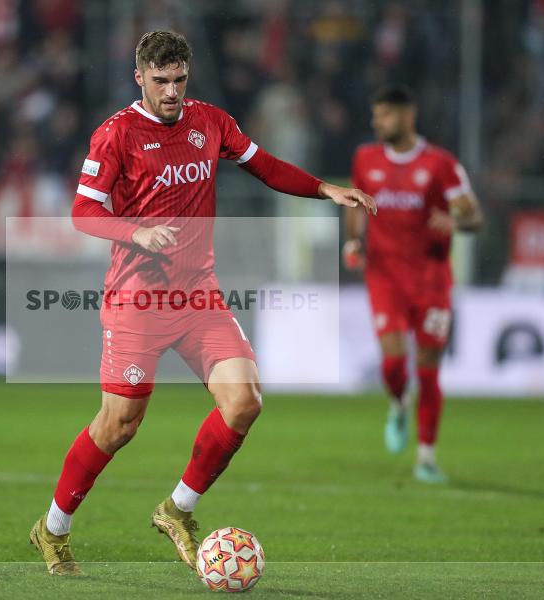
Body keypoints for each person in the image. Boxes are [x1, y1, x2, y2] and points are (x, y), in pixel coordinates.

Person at [29, 30, 376, 575]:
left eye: (179, 80)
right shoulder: (115, 135)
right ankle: (52, 528)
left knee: (244, 402)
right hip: (138, 298)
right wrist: (136, 233)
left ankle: (177, 509)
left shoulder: (210, 121)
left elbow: (264, 165)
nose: (171, 91)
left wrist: (324, 190)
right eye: (161, 81)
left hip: (199, 295)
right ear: (139, 77)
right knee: (119, 424)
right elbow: (82, 212)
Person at [344, 85, 482, 484]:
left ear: (407, 116)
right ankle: (398, 404)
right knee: (391, 362)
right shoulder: (365, 159)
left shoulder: (440, 164)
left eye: (384, 115)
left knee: (428, 371)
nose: (377, 122)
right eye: (376, 115)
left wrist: (455, 222)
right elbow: (356, 203)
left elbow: (475, 217)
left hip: (431, 281)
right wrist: (354, 241)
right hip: (385, 277)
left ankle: (425, 457)